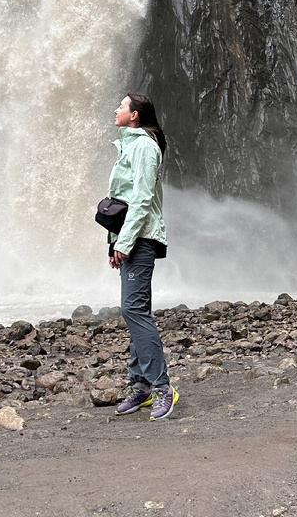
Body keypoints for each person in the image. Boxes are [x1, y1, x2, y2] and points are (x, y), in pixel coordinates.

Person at [107, 92, 178, 420]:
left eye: (122, 106)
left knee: (133, 310)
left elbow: (142, 199)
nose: (117, 109)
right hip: (130, 240)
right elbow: (123, 198)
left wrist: (125, 241)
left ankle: (164, 387)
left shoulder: (145, 147)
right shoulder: (130, 145)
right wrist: (115, 243)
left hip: (140, 240)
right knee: (136, 310)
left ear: (135, 115)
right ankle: (142, 386)